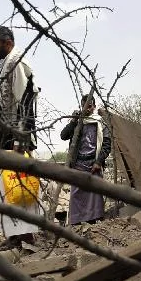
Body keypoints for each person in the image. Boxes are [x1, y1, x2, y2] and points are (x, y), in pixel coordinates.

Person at [0, 26, 43, 251]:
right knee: (7, 187)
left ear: (8, 43)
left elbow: (24, 104)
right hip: (4, 137)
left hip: (15, 139)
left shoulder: (18, 64)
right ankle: (16, 235)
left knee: (20, 187)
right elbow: (0, 99)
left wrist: (20, 140)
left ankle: (24, 236)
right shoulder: (6, 64)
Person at [59, 95, 112, 225]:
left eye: (89, 106)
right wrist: (73, 121)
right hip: (78, 165)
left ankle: (93, 223)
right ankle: (76, 224)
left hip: (94, 165)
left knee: (95, 196)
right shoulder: (78, 122)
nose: (87, 109)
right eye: (84, 106)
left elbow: (106, 145)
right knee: (76, 197)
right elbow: (63, 136)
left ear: (93, 107)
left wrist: (99, 162)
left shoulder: (101, 123)